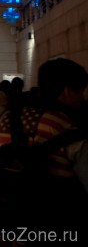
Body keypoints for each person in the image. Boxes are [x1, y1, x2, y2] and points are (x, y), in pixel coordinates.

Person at [31, 58, 88, 229]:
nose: (83, 97)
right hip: (62, 219)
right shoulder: (66, 127)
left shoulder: (11, 118)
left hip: (21, 219)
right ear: (67, 91)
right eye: (81, 91)